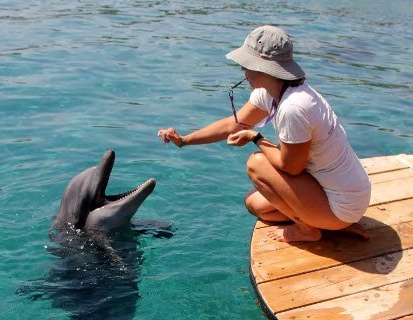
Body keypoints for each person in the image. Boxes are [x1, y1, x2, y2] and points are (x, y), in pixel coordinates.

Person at [157, 25, 371, 242]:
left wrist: (256, 138)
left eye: (245, 65)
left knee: (256, 164)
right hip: (333, 192)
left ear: (262, 67)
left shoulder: (293, 107)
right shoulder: (273, 92)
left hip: (342, 204)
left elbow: (292, 168)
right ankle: (331, 226)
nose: (243, 70)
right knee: (256, 205)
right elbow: (235, 124)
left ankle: (309, 230)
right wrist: (184, 140)